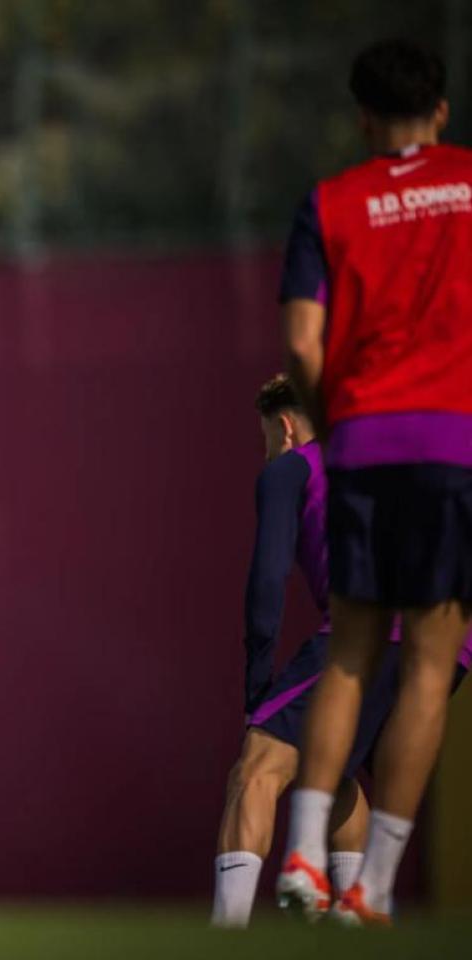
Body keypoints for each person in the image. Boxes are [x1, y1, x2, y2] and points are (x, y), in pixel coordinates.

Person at [277, 38, 472, 926]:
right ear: (440, 108)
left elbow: (304, 346)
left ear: (361, 115)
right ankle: (375, 887)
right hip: (453, 448)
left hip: (362, 447)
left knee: (350, 656)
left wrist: (339, 424)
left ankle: (306, 862)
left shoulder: (331, 202)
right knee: (429, 668)